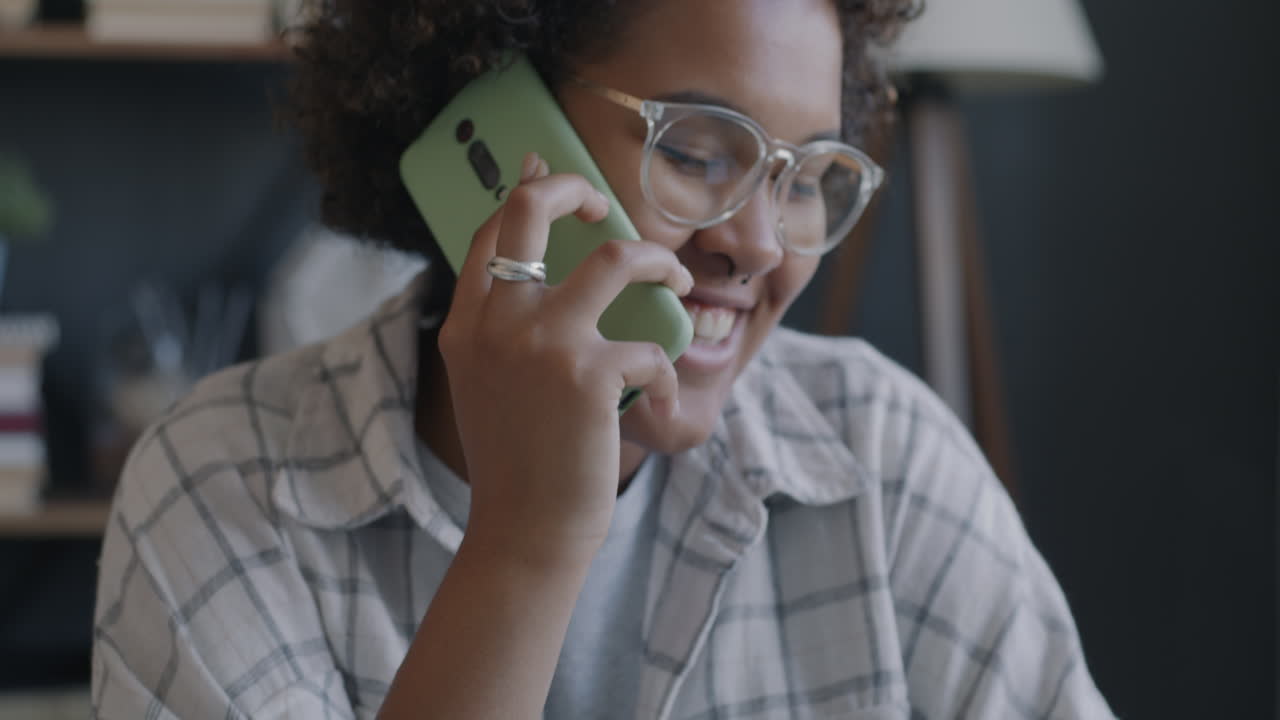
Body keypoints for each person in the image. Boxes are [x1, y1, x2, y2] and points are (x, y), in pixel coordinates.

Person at [90, 1, 1116, 718]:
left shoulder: (881, 459)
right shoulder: (220, 487)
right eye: (694, 151)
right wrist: (525, 542)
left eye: (804, 177)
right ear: (491, 129)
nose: (760, 245)